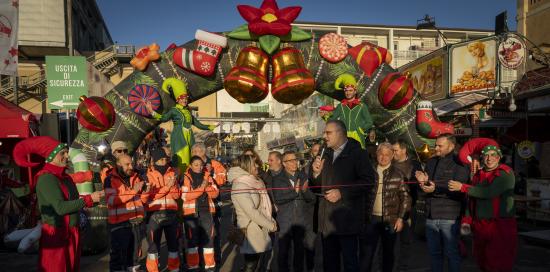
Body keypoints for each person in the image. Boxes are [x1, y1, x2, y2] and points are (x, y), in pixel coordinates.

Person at [12, 136, 104, 271]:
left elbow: (73, 201)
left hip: (72, 234)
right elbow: (60, 208)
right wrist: (88, 199)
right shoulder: (46, 179)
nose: (67, 156)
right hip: (57, 236)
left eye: (67, 152)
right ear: (50, 157)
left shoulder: (65, 177)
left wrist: (94, 200)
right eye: (63, 153)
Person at [310, 120, 376, 272]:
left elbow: (368, 181)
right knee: (330, 265)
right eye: (324, 133)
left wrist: (342, 193)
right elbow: (315, 187)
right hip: (327, 222)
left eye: (328, 133)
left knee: (350, 263)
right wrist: (315, 173)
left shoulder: (358, 153)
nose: (324, 136)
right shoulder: (323, 153)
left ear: (340, 133)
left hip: (347, 221)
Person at [448, 144, 517, 271]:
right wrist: (467, 221)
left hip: (499, 225)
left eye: (493, 155)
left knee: (499, 263)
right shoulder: (478, 175)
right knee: (482, 261)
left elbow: (488, 192)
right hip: (480, 225)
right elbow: (471, 200)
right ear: (482, 158)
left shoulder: (505, 173)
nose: (489, 158)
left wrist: (463, 187)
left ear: (499, 157)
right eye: (486, 155)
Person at [415, 134, 469, 272]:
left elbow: (460, 190)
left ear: (451, 146)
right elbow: (428, 187)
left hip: (450, 216)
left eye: (440, 146)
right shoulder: (431, 162)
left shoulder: (460, 162)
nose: (436, 148)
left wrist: (435, 188)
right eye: (435, 145)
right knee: (434, 254)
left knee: (451, 253)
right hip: (431, 214)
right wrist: (422, 183)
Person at [146, 77, 215, 174]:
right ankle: (180, 177)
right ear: (178, 100)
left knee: (191, 157)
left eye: (186, 98)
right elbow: (164, 118)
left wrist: (210, 127)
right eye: (182, 98)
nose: (185, 100)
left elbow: (197, 124)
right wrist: (152, 112)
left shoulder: (187, 111)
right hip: (179, 137)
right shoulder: (174, 110)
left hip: (189, 137)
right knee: (181, 159)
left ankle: (189, 176)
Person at [362, 142, 411, 272]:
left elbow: (405, 198)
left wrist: (401, 219)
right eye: (381, 154)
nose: (383, 157)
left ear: (392, 156)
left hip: (390, 220)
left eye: (387, 155)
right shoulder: (368, 171)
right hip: (371, 219)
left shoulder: (398, 174)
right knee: (367, 254)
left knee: (388, 254)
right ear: (376, 154)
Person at [229, 155, 278, 272]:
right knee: (250, 266)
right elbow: (251, 211)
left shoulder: (255, 181)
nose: (257, 166)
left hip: (258, 228)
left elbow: (260, 204)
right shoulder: (240, 185)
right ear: (246, 167)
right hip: (250, 230)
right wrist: (270, 225)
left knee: (255, 264)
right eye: (253, 164)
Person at [272, 150, 316, 272]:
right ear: (284, 163)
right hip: (285, 222)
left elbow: (312, 200)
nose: (294, 163)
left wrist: (305, 191)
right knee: (283, 254)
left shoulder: (303, 176)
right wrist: (295, 192)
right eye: (291, 160)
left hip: (300, 222)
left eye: (295, 160)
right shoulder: (278, 179)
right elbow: (279, 199)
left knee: (299, 254)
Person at [104, 154, 147, 272]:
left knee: (135, 256)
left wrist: (146, 192)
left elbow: (142, 200)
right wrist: (134, 191)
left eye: (131, 163)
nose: (131, 166)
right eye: (127, 164)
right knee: (118, 257)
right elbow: (111, 200)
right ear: (118, 165)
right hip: (119, 224)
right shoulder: (109, 180)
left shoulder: (136, 177)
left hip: (136, 221)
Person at [191, 143, 227, 271]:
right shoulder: (191, 165)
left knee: (214, 233)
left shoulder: (215, 164)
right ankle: (199, 260)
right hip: (196, 206)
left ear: (203, 152)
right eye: (193, 151)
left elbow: (223, 179)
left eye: (198, 150)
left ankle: (215, 259)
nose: (195, 153)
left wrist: (211, 174)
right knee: (197, 234)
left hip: (213, 203)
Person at [144, 148, 181, 272]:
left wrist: (173, 187)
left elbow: (176, 195)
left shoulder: (172, 173)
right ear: (154, 161)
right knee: (153, 247)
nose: (164, 162)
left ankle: (174, 269)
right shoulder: (148, 175)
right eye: (161, 160)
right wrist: (167, 187)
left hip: (171, 213)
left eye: (165, 159)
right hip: (154, 215)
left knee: (173, 246)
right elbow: (150, 196)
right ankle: (153, 269)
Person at [182, 156, 219, 271]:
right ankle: (193, 266)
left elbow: (215, 193)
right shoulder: (186, 177)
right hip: (191, 215)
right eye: (196, 165)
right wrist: (202, 188)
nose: (199, 167)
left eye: (201, 165)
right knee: (192, 242)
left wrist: (206, 187)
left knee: (209, 240)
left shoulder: (208, 176)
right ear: (191, 165)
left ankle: (210, 267)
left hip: (207, 212)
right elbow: (186, 196)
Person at [392, 139, 422, 271]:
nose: (393, 153)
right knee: (388, 241)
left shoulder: (414, 165)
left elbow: (420, 186)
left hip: (408, 209)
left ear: (404, 150)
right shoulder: (389, 164)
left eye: (395, 150)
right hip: (390, 208)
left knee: (406, 241)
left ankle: (402, 267)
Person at [321, 74, 373, 149]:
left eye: (350, 90)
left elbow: (369, 122)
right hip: (344, 138)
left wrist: (361, 129)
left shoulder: (362, 106)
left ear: (355, 91)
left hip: (357, 137)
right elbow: (333, 120)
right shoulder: (341, 106)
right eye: (346, 91)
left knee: (358, 158)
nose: (348, 93)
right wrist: (324, 116)